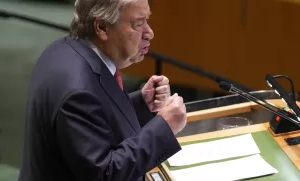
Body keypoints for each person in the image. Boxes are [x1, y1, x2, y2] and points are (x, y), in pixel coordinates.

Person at [17, 0, 187, 180]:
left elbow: (95, 119)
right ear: (102, 28)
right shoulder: (78, 93)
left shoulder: (64, 49)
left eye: (147, 20)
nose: (149, 33)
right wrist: (164, 128)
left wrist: (141, 103)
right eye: (138, 24)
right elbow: (106, 174)